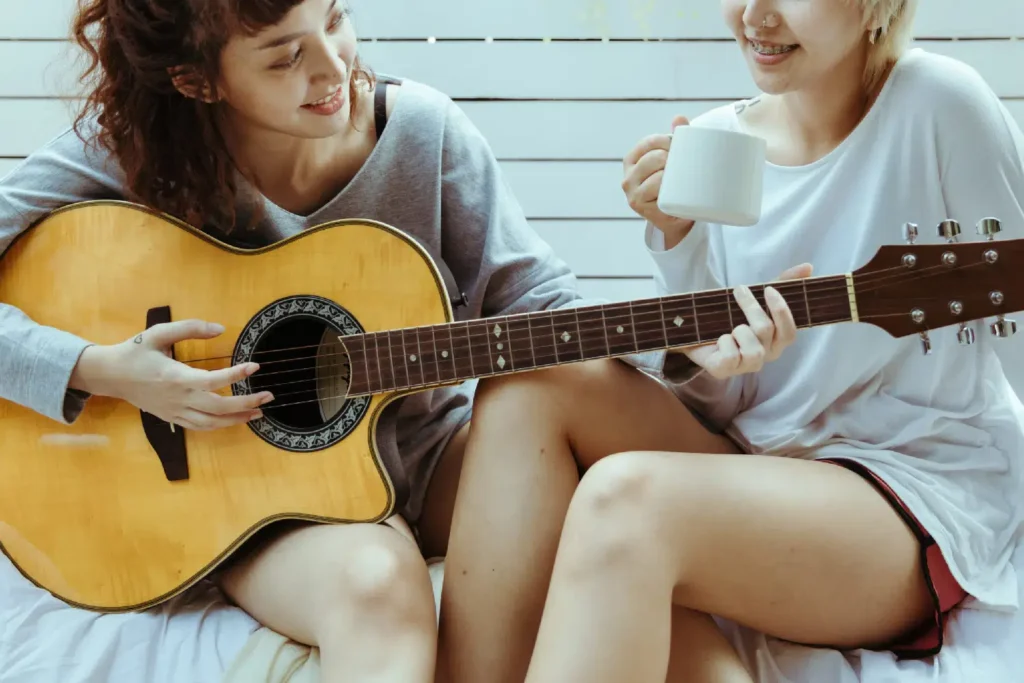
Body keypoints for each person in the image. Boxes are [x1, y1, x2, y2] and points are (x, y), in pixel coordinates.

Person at [0, 0, 677, 680]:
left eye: (334, 20)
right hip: (254, 502)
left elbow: (543, 307)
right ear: (197, 80)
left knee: (554, 388)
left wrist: (685, 347)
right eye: (285, 57)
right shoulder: (137, 154)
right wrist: (102, 370)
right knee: (377, 583)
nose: (333, 67)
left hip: (434, 461)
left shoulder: (422, 133)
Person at [440, 0, 1024, 682]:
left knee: (628, 498)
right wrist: (679, 248)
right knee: (525, 387)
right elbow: (726, 405)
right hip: (759, 469)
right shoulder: (719, 142)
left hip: (908, 495)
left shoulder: (939, 106)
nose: (754, 15)